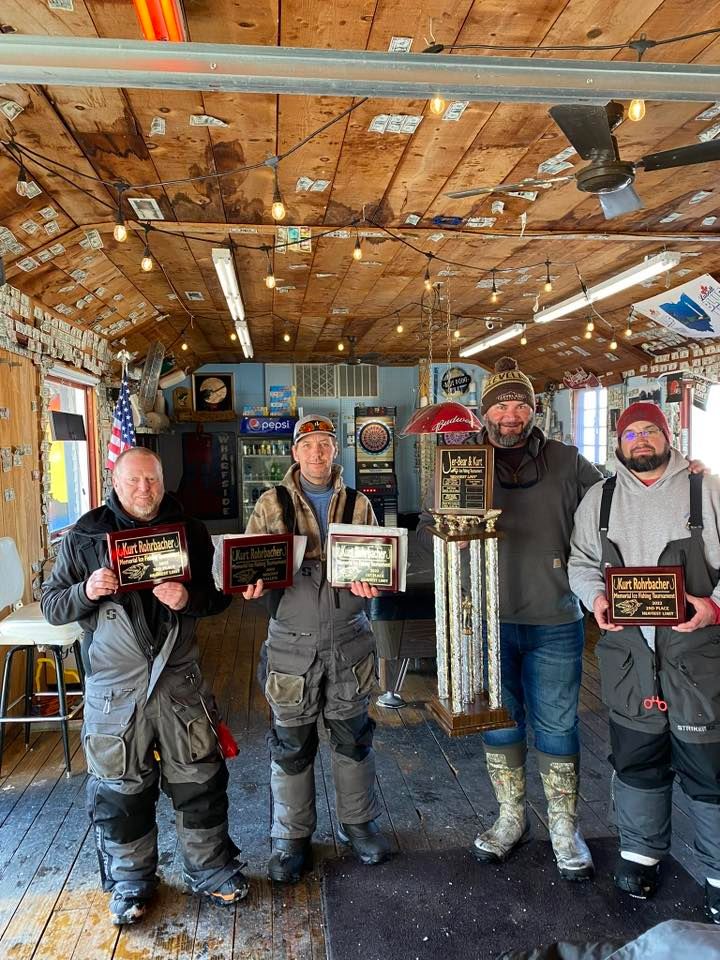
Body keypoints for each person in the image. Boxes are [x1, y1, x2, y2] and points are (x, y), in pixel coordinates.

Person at [41, 447, 248, 926]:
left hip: (180, 686)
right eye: (133, 481)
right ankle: (131, 880)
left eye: (152, 481)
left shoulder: (191, 531)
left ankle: (211, 869)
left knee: (200, 780)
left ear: (163, 481)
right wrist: (86, 592)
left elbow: (219, 601)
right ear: (114, 480)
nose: (144, 490)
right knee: (121, 792)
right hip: (115, 694)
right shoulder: (85, 537)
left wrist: (189, 597)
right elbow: (53, 606)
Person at [418, 357, 602, 881]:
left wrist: (689, 476)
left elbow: (614, 503)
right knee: (500, 721)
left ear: (534, 409)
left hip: (555, 617)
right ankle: (511, 818)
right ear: (485, 411)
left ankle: (565, 830)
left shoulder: (569, 462)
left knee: (559, 725)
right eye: (501, 403)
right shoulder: (461, 459)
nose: (511, 413)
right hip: (484, 620)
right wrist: (445, 504)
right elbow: (433, 524)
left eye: (520, 403)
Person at [568, 401, 720, 923]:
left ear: (668, 434)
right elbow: (582, 562)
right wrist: (597, 600)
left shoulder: (709, 489)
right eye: (629, 433)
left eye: (648, 431)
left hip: (699, 659)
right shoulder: (599, 498)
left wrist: (714, 607)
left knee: (710, 768)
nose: (639, 441)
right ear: (617, 442)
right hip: (629, 660)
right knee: (636, 761)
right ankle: (640, 855)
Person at [242, 414, 390, 883]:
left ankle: (358, 824)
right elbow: (247, 560)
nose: (318, 453)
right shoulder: (271, 502)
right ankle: (291, 838)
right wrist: (249, 582)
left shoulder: (360, 502)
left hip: (350, 638)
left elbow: (379, 563)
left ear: (335, 451)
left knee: (354, 737)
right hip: (292, 644)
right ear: (295, 453)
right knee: (291, 743)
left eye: (325, 444)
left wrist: (376, 584)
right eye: (309, 445)